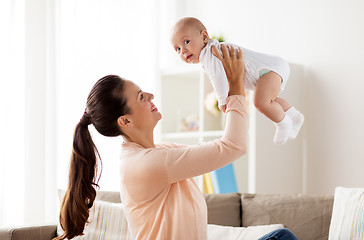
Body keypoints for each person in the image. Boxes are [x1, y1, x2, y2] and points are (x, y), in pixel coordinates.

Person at [56, 45, 297, 240]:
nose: (150, 95)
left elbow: (224, 146)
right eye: (141, 96)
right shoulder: (146, 164)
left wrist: (226, 93)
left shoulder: (162, 154)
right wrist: (235, 89)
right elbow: (234, 146)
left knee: (279, 236)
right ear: (125, 121)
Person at [171, 17, 304, 144]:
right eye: (177, 49)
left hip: (268, 69)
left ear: (204, 37)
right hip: (271, 69)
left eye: (186, 42)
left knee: (259, 103)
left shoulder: (210, 53)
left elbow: (218, 77)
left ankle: (282, 123)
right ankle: (294, 116)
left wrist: (222, 100)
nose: (183, 50)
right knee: (269, 101)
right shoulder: (208, 55)